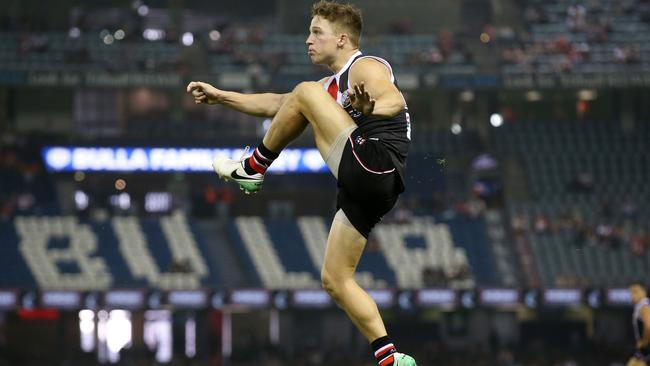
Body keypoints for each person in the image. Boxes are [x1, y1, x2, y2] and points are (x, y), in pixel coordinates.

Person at [187, 1, 415, 365]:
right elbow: (280, 104)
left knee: (305, 92)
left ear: (342, 39)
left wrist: (370, 108)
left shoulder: (365, 66)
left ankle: (254, 167)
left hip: (374, 163)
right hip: (367, 186)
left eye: (316, 32)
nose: (308, 40)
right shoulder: (329, 85)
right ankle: (391, 358)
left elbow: (389, 98)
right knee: (335, 279)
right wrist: (221, 96)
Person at [628, 283, 650, 366]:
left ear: (644, 291)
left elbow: (648, 326)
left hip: (646, 348)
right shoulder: (642, 305)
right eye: (631, 292)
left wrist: (644, 342)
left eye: (635, 291)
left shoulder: (644, 305)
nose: (632, 294)